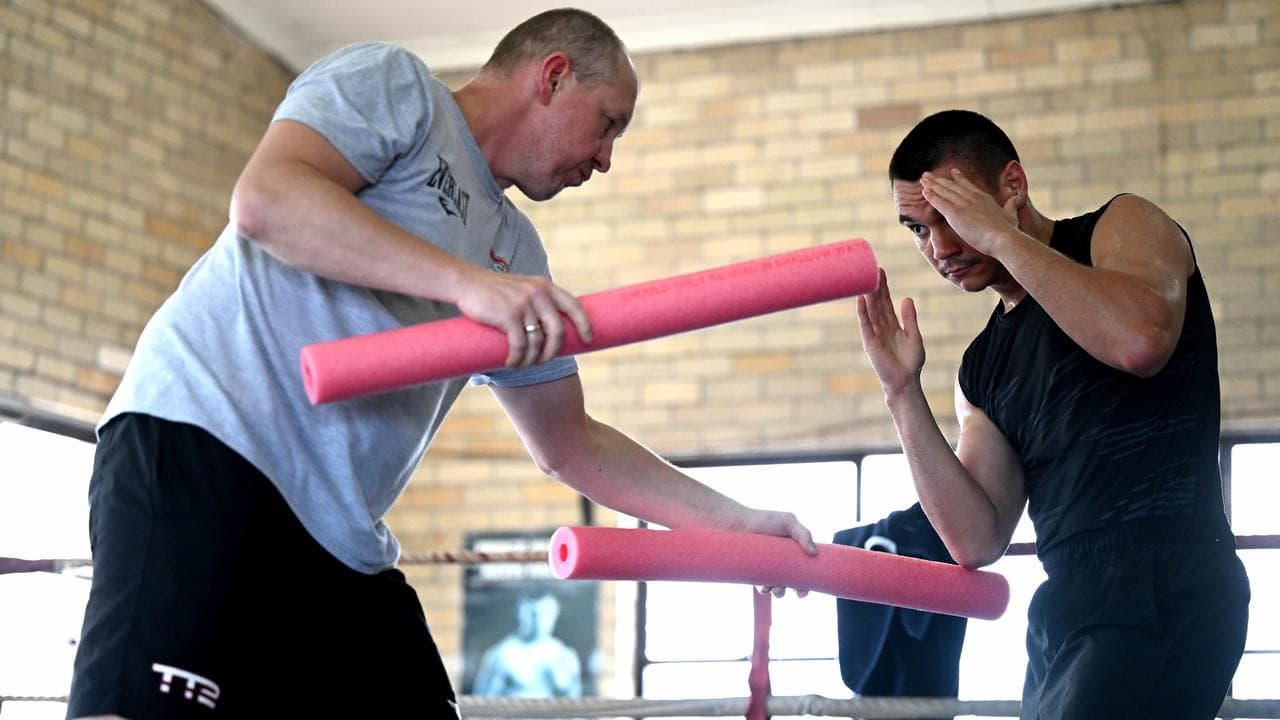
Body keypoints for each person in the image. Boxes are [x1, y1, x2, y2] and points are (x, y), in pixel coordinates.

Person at [67, 9, 815, 719]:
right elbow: (269, 201)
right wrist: (466, 285)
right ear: (552, 76)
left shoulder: (516, 251)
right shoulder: (397, 88)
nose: (607, 159)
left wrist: (737, 525)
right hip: (204, 444)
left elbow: (570, 444)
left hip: (335, 536)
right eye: (607, 123)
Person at [856, 109, 1249, 720]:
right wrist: (901, 391)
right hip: (1065, 603)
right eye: (918, 229)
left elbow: (1139, 341)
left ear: (1013, 185)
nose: (941, 248)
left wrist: (1001, 239)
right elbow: (976, 539)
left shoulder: (1118, 227)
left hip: (1166, 579)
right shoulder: (984, 365)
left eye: (953, 216)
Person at [472, 590, 582, 698]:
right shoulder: (501, 656)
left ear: (555, 613)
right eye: (532, 613)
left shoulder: (565, 655)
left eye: (546, 612)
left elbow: (577, 708)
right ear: (519, 611)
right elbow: (482, 707)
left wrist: (565, 687)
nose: (539, 620)